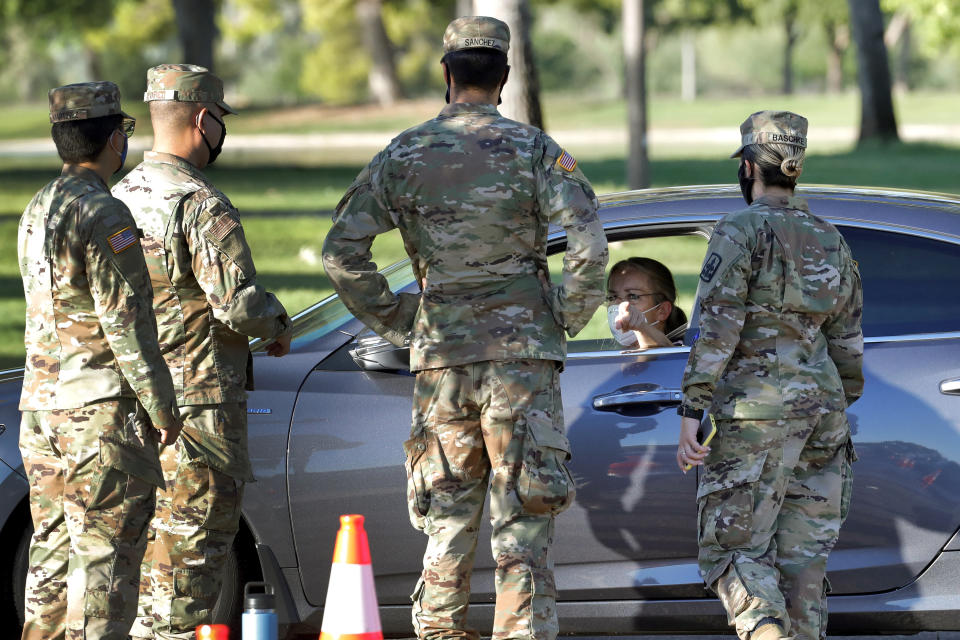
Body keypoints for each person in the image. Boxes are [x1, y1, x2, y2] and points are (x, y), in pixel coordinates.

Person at [322, 16, 608, 640]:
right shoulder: (535, 150)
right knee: (524, 520)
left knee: (446, 517)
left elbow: (342, 251)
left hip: (442, 359)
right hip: (522, 361)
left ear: (447, 74)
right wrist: (565, 317)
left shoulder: (403, 152)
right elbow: (588, 239)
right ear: (503, 78)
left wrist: (404, 321)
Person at [112, 64, 292, 640]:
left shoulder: (116, 200)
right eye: (220, 120)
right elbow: (236, 302)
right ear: (201, 119)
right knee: (188, 570)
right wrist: (277, 325)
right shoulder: (200, 204)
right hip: (197, 414)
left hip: (128, 405)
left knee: (141, 561)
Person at [676, 111, 863, 640]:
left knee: (735, 552)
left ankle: (765, 633)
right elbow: (847, 342)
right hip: (823, 417)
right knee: (803, 565)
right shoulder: (830, 237)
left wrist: (692, 409)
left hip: (754, 415)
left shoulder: (738, 231)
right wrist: (830, 406)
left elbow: (715, 330)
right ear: (795, 169)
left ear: (747, 169)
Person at [18, 81, 182, 640]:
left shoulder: (38, 206)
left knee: (51, 560)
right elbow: (126, 321)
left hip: (40, 409)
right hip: (97, 412)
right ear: (115, 139)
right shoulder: (105, 213)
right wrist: (163, 408)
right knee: (105, 562)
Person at [606, 257, 687, 349]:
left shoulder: (682, 350)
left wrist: (641, 327)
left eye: (633, 296)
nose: (619, 305)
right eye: (613, 297)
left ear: (662, 311)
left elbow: (663, 354)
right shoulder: (614, 352)